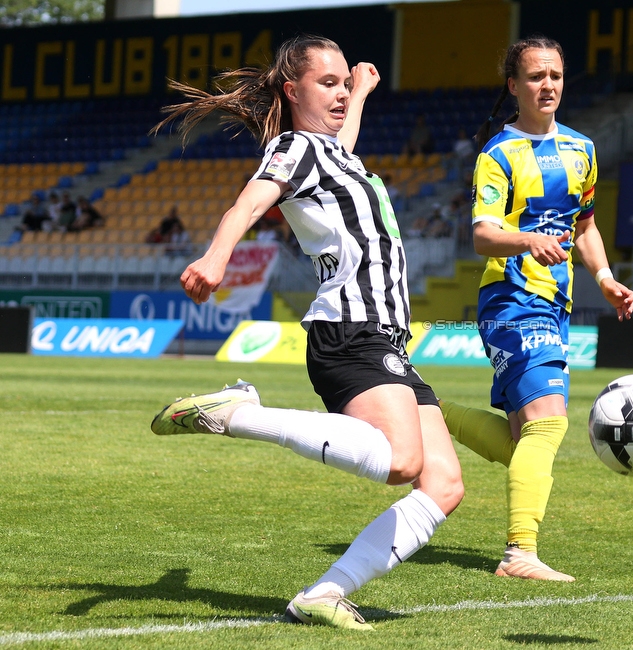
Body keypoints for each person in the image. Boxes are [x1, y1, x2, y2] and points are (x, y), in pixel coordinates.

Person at [147, 34, 463, 631]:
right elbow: (245, 206)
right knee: (401, 462)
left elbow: (340, 147)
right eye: (328, 83)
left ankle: (324, 594)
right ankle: (239, 413)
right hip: (350, 328)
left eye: (344, 81)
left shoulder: (333, 153)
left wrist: (362, 94)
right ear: (293, 91)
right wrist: (216, 257)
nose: (340, 92)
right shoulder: (294, 149)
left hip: (385, 338)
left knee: (443, 484)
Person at [437, 36, 633, 582]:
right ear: (514, 86)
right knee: (547, 427)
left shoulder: (583, 149)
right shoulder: (498, 154)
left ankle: (431, 410)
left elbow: (586, 226)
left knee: (524, 439)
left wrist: (605, 277)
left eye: (555, 75)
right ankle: (519, 553)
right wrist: (527, 242)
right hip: (512, 297)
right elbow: (482, 235)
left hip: (556, 302)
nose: (547, 85)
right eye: (534, 77)